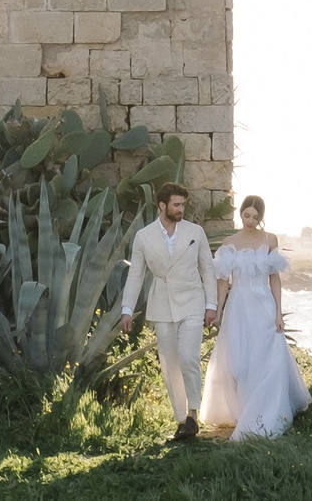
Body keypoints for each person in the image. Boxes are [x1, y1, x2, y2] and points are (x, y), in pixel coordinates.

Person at [201, 195, 312, 439]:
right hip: (239, 305)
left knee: (268, 356)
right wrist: (218, 311)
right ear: (241, 214)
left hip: (264, 303)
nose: (250, 221)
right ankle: (243, 410)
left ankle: (269, 412)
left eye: (255, 217)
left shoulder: (269, 239)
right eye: (246, 215)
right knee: (239, 360)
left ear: (261, 218)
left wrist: (279, 312)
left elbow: (274, 277)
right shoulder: (229, 242)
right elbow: (222, 281)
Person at [119, 183, 218, 441]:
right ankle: (181, 419)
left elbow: (207, 269)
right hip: (162, 304)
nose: (180, 209)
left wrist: (211, 305)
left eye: (183, 205)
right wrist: (127, 309)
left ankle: (194, 414)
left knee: (188, 358)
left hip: (193, 302)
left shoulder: (195, 231)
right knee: (170, 364)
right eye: (176, 205)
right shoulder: (143, 236)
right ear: (162, 205)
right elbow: (136, 274)